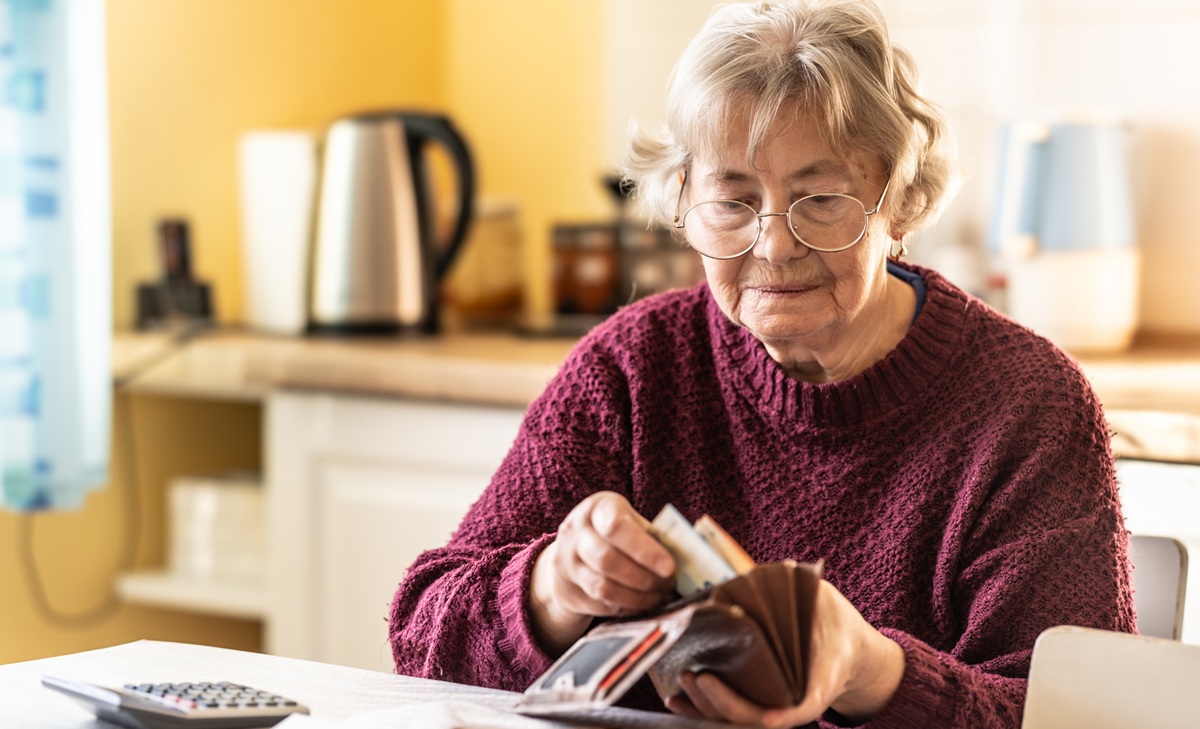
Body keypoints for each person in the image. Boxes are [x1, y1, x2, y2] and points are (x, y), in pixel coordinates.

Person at [389, 0, 1135, 726]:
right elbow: (421, 630)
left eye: (820, 198)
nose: (774, 246)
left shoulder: (1028, 404)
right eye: (733, 199)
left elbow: (1088, 715)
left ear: (900, 201)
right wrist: (551, 588)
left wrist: (870, 670)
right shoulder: (633, 368)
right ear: (682, 201)